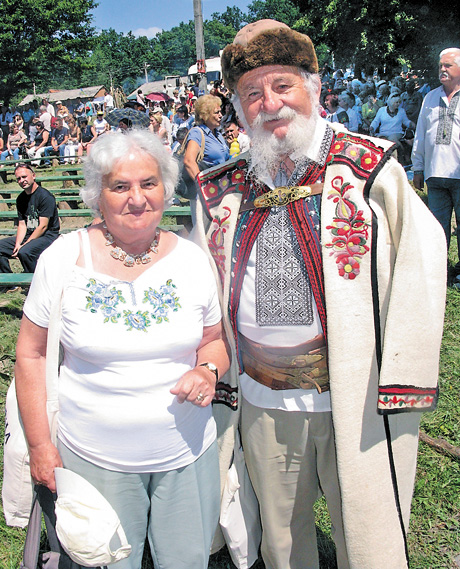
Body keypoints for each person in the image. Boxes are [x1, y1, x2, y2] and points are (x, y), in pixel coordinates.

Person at [193, 19, 446, 569]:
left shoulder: (371, 171)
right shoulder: (221, 191)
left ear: (313, 86)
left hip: (356, 397)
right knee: (282, 540)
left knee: (370, 532)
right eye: (251, 93)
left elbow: (422, 269)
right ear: (237, 107)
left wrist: (402, 378)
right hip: (262, 398)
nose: (269, 104)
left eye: (282, 85)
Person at [14, 129, 230, 569]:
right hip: (94, 458)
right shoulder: (63, 258)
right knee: (106, 561)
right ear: (98, 195)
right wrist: (39, 446)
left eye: (148, 183)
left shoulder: (193, 259)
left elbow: (215, 341)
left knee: (186, 562)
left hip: (187, 454)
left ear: (166, 189)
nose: (137, 198)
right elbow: (31, 355)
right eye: (120, 186)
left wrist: (207, 371)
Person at [412, 47, 460, 281]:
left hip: (459, 173)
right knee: (438, 228)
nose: (442, 69)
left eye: (448, 65)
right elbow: (421, 133)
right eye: (440, 65)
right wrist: (418, 167)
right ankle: (438, 272)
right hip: (435, 174)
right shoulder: (430, 97)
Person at [0, 163, 59, 277]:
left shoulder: (45, 196)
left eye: (24, 177)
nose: (22, 180)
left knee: (25, 251)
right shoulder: (21, 199)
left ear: (33, 176)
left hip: (47, 235)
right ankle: (9, 282)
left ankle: (34, 280)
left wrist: (24, 245)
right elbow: (22, 224)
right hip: (30, 234)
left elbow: (43, 226)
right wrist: (18, 243)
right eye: (18, 178)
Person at [183, 95, 229, 223]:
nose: (221, 115)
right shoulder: (197, 133)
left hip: (220, 189)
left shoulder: (218, 134)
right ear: (204, 115)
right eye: (216, 112)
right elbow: (188, 161)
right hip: (206, 193)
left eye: (221, 112)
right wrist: (203, 186)